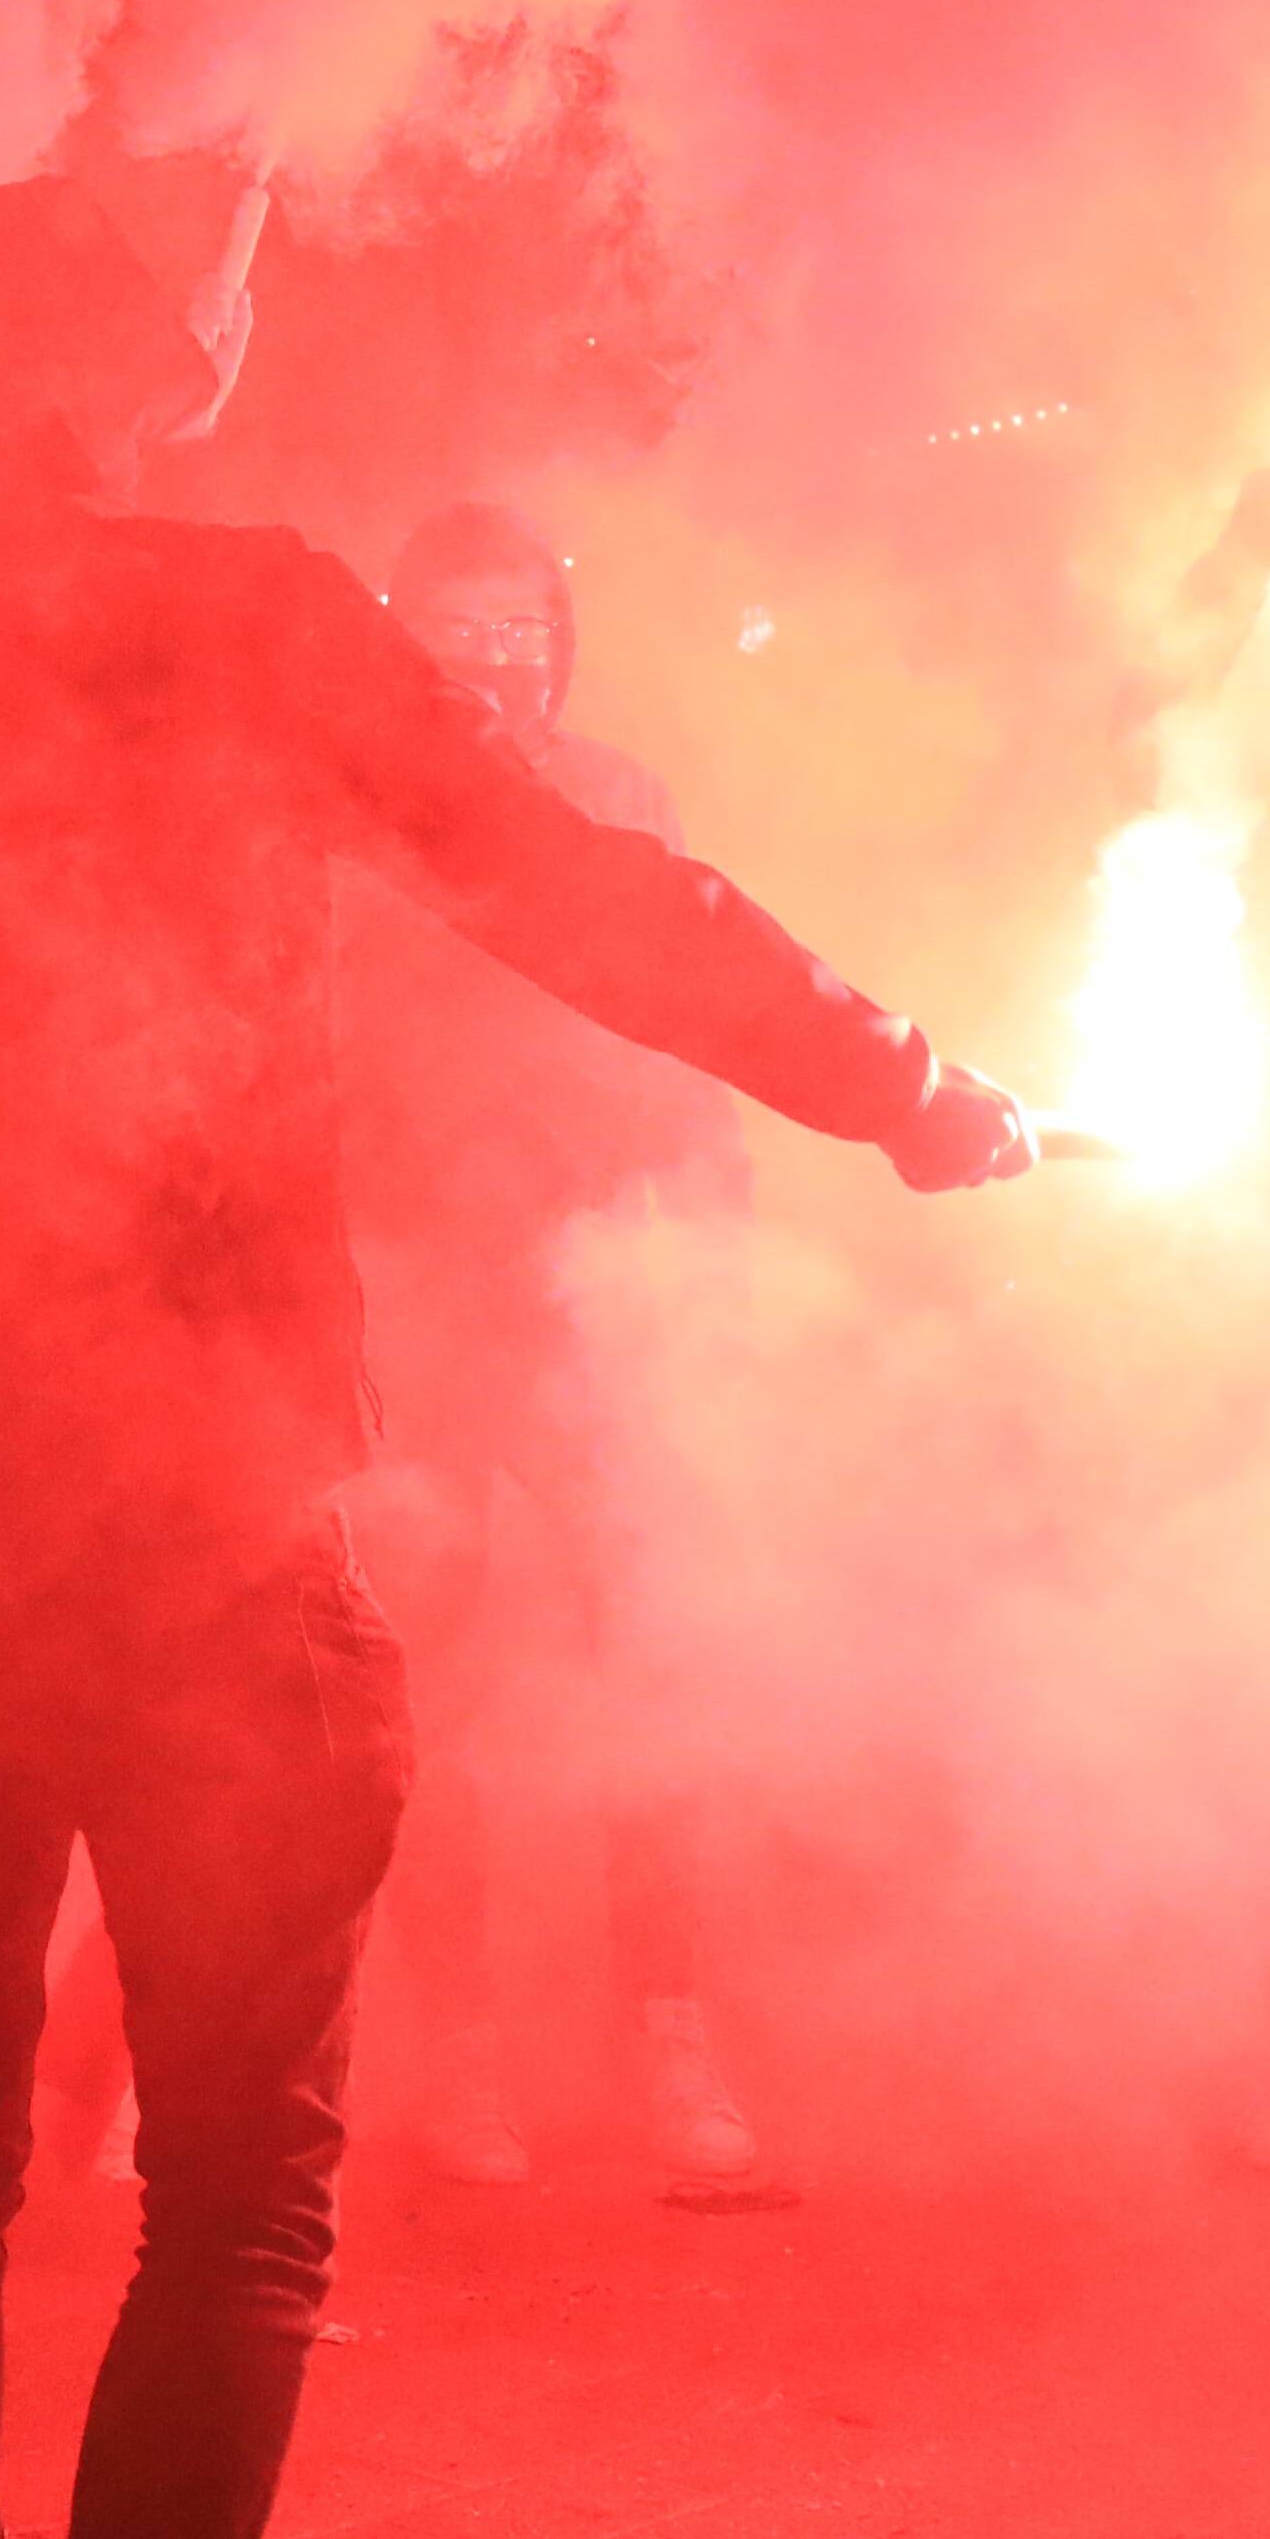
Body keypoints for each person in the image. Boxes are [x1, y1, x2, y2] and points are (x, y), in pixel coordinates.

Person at [0, 168, 1033, 2539]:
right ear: (110, 377)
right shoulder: (250, 610)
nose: (224, 345)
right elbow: (572, 885)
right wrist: (899, 1081)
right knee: (241, 2191)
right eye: (193, 319)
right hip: (199, 1506)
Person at [338, 501, 768, 2196]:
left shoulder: (618, 796)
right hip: (420, 1287)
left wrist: (711, 1217)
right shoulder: (347, 811)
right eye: (461, 626)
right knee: (420, 1676)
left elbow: (696, 1002)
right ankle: (461, 2053)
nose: (496, 657)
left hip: (589, 1287)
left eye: (522, 626)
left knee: (641, 1663)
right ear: (404, 638)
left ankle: (675, 2039)